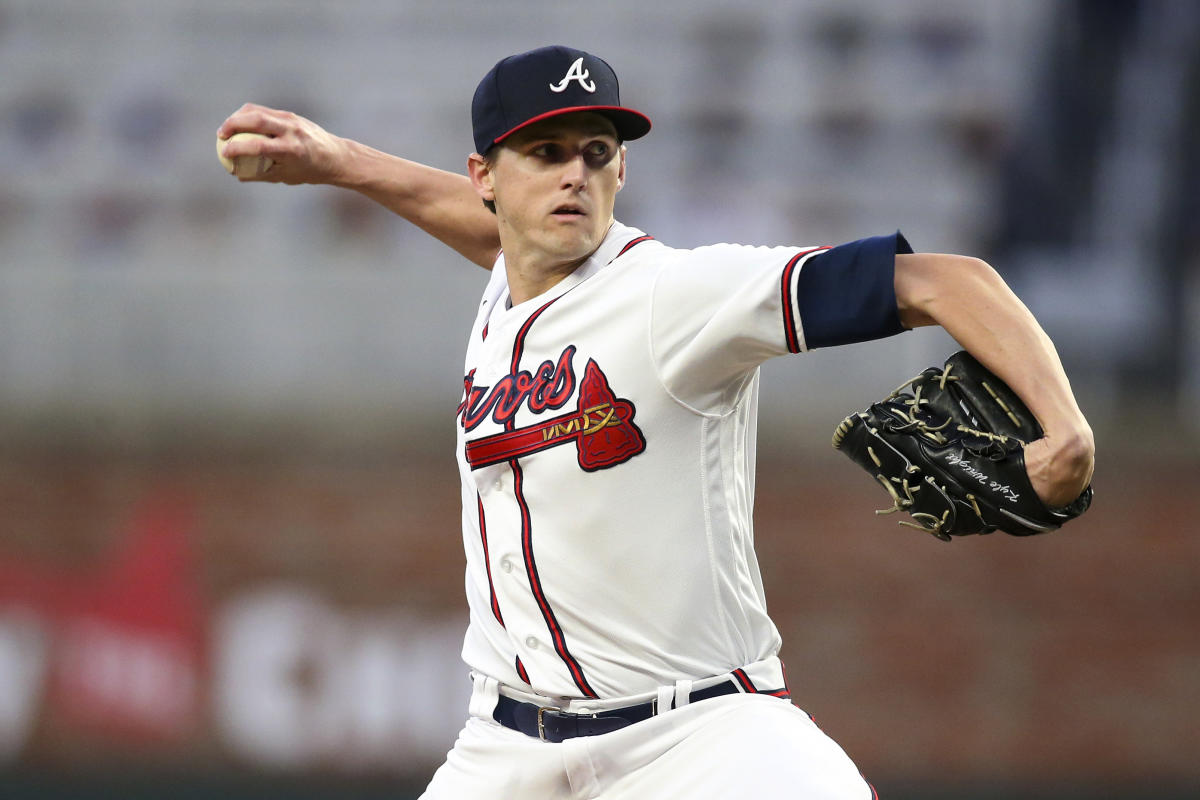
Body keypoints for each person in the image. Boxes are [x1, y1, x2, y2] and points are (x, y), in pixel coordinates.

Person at [218, 45, 1094, 799]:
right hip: (511, 746)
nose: (575, 175)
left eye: (598, 154)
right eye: (546, 151)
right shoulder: (514, 271)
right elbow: (490, 233)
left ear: (623, 172)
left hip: (701, 735)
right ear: (487, 176)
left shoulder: (676, 294)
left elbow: (949, 281)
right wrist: (337, 161)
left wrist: (1066, 431)